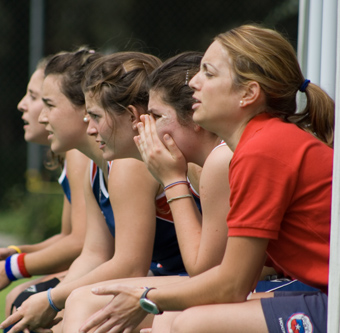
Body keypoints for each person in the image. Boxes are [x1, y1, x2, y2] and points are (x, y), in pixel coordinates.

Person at [72, 24, 333, 333]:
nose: (194, 82)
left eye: (209, 73)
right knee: (178, 320)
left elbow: (231, 284)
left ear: (248, 94)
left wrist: (147, 297)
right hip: (324, 294)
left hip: (331, 300)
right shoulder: (257, 144)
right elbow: (237, 280)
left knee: (193, 324)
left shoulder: (262, 149)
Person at [0, 50, 198, 333]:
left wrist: (51, 297)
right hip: (172, 279)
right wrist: (50, 299)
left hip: (182, 281)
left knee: (77, 307)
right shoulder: (96, 167)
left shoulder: (130, 165)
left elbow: (130, 266)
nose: (88, 126)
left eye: (48, 104)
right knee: (34, 307)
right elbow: (93, 252)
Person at [0, 58, 89, 316]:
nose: (22, 105)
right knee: (21, 301)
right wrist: (16, 253)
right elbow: (69, 236)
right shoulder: (72, 155)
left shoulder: (81, 154)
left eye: (37, 98)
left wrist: (12, 268)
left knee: (23, 301)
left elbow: (80, 243)